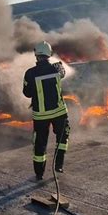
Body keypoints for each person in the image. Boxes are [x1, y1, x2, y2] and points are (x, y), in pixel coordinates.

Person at [23, 41, 70, 180]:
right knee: (62, 138)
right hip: (59, 112)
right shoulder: (57, 68)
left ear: (36, 55)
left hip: (41, 116)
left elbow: (27, 93)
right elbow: (63, 73)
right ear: (49, 54)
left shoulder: (30, 73)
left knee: (40, 144)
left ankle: (39, 173)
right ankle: (58, 165)